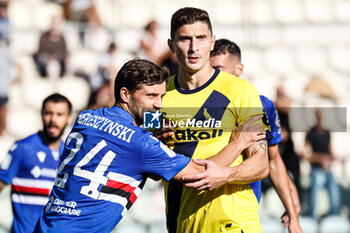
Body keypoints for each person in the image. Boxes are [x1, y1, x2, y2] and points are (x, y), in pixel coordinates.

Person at [33, 59, 265, 233]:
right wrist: (238, 143)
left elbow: (132, 158)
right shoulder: (141, 143)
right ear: (125, 93)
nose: (159, 105)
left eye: (162, 96)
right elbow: (201, 177)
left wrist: (154, 138)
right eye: (151, 96)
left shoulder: (86, 118)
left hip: (46, 225)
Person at [161, 7, 269, 233]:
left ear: (212, 41)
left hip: (235, 224)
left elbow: (261, 164)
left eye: (201, 38)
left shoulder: (241, 90)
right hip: (183, 223)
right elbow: (150, 165)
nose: (193, 47)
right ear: (171, 45)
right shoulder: (159, 97)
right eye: (185, 39)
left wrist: (228, 175)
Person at [209, 38, 302, 233]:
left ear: (239, 69)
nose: (214, 75)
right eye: (211, 69)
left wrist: (292, 214)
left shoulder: (262, 105)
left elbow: (274, 160)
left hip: (242, 215)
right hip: (199, 210)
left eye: (220, 69)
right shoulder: (196, 107)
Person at [0, 93, 72, 233]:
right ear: (41, 114)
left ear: (69, 118)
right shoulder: (22, 148)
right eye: (48, 113)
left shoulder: (69, 155)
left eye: (59, 114)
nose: (53, 119)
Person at [303, 108, 340, 218]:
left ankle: (334, 215)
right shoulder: (310, 133)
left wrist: (332, 158)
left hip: (327, 169)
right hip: (315, 169)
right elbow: (305, 154)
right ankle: (311, 216)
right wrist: (320, 159)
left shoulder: (327, 133)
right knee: (315, 190)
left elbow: (330, 150)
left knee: (334, 189)